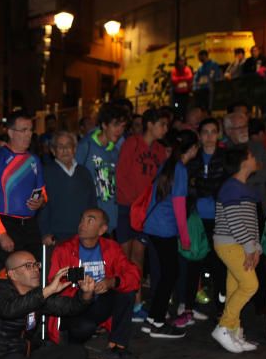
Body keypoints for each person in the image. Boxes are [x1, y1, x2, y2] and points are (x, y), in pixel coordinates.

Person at [51, 208, 141, 357]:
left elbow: (133, 275)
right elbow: (54, 286)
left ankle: (117, 344)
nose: (82, 224)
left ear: (102, 229)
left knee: (127, 292)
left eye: (90, 221)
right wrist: (84, 292)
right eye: (82, 219)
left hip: (99, 301)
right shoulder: (65, 249)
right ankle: (69, 342)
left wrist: (112, 282)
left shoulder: (110, 247)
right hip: (74, 304)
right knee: (84, 328)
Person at [142, 130, 197, 338]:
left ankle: (152, 318)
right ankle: (157, 322)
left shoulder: (168, 164)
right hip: (164, 228)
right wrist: (185, 237)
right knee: (170, 274)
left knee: (166, 273)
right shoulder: (180, 170)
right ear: (192, 149)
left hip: (154, 226)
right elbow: (179, 206)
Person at [116, 108, 168, 320]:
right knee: (123, 257)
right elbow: (121, 175)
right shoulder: (132, 143)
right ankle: (121, 304)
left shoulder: (160, 150)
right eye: (162, 124)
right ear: (150, 124)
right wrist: (133, 203)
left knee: (138, 258)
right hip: (128, 208)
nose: (165, 128)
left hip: (146, 212)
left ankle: (136, 303)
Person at [211, 146, 261, 353]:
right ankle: (223, 326)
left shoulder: (245, 188)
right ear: (243, 162)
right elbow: (234, 222)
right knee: (250, 285)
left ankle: (233, 329)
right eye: (252, 154)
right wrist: (250, 247)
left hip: (240, 244)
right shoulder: (231, 187)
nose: (255, 157)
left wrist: (255, 247)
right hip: (229, 243)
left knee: (235, 286)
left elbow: (252, 222)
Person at [0, 110, 45, 258]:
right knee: (6, 276)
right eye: (23, 130)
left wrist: (40, 201)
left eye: (30, 130)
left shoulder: (34, 159)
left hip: (30, 225)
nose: (28, 134)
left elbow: (43, 193)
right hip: (6, 224)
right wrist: (1, 233)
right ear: (10, 132)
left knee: (35, 272)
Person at [185, 117, 227, 317]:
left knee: (220, 263)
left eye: (213, 131)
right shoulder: (193, 159)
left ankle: (221, 306)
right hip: (197, 217)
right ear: (200, 136)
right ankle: (188, 306)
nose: (209, 136)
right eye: (205, 132)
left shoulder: (226, 158)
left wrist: (202, 186)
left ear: (219, 134)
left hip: (219, 217)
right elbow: (187, 186)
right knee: (194, 262)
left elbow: (225, 187)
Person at [76, 103, 128, 234]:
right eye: (115, 125)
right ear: (104, 125)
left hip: (109, 217)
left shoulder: (114, 152)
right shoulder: (86, 146)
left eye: (122, 127)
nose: (119, 131)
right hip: (89, 218)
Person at [39, 131, 96, 245]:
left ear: (75, 149)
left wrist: (93, 227)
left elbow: (92, 203)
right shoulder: (45, 173)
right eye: (60, 146)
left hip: (82, 233)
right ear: (53, 151)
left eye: (68, 145)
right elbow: (41, 207)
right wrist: (45, 232)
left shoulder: (84, 173)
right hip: (56, 235)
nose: (65, 149)